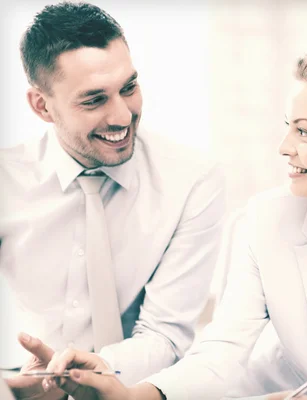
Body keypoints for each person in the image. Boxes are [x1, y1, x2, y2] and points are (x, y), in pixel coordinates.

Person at [28, 38, 307, 400]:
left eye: (305, 132)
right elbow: (224, 350)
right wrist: (131, 393)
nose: (284, 146)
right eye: (289, 126)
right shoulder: (267, 220)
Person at [0, 2, 225, 398]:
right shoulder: (6, 180)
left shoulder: (192, 180)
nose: (122, 116)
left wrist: (93, 373)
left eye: (129, 88)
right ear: (41, 106)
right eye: (94, 100)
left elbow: (166, 335)